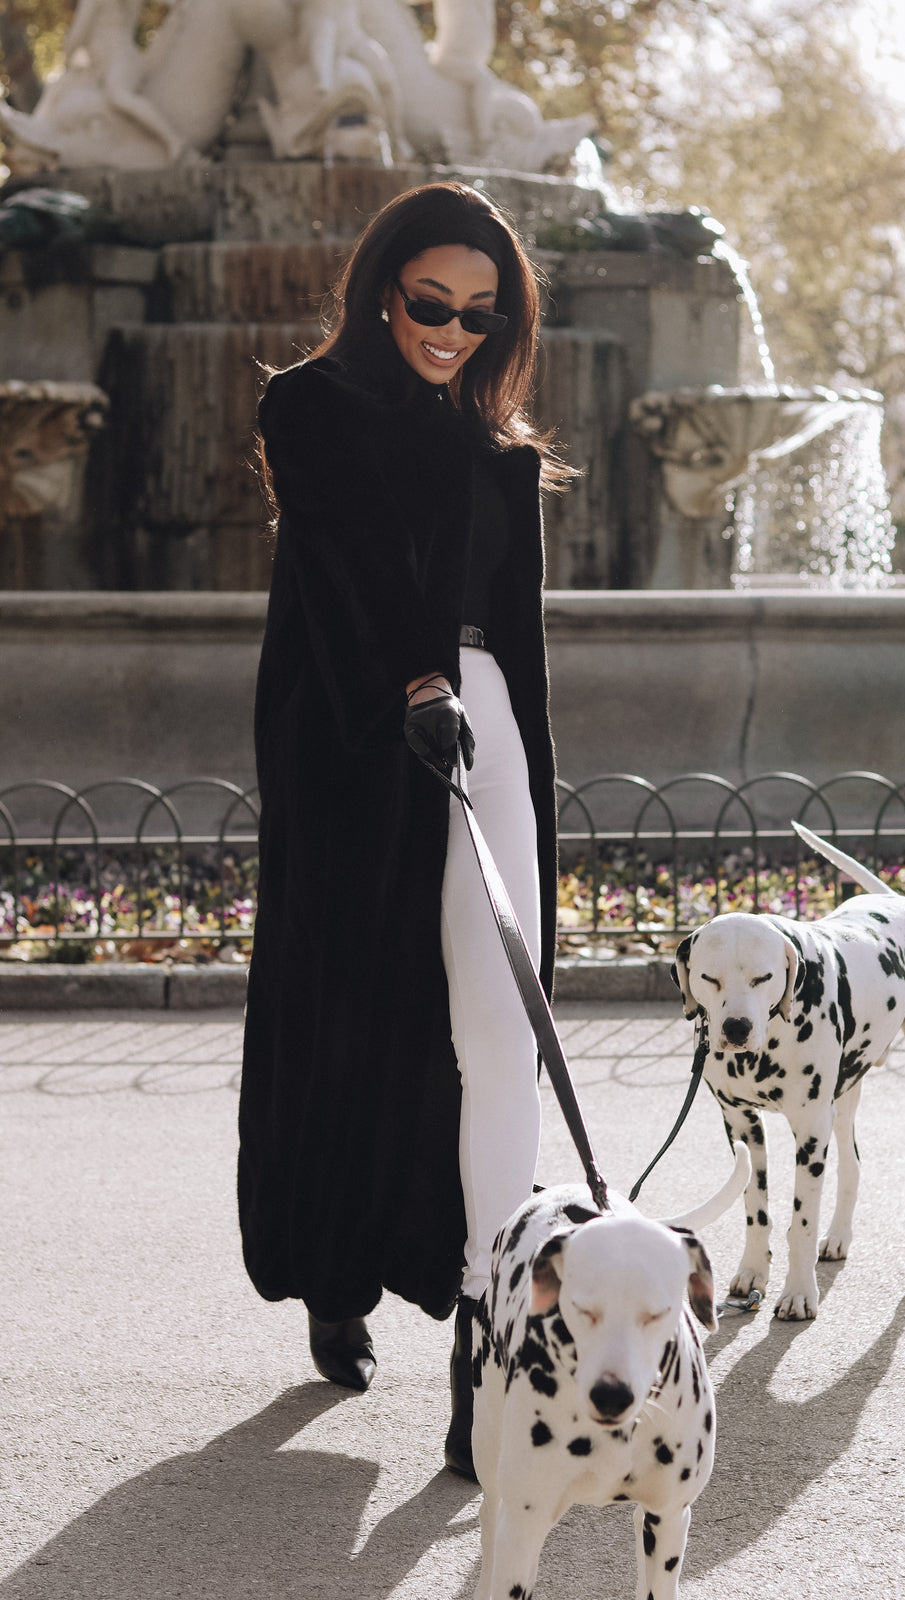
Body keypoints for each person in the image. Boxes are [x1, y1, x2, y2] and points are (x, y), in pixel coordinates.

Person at [237, 181, 567, 1480]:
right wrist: (415, 687)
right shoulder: (310, 406)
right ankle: (337, 1275)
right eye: (433, 302)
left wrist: (525, 773)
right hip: (356, 746)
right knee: (354, 1018)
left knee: (498, 1040)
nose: (452, 328)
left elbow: (521, 645)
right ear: (385, 289)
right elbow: (349, 566)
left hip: (484, 740)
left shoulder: (502, 456)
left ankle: (483, 1351)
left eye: (481, 316)